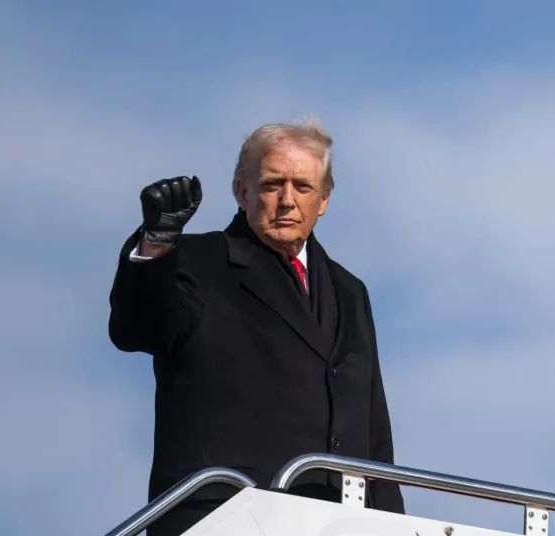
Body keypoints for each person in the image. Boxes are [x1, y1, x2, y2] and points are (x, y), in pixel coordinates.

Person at [108, 120, 404, 535]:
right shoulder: (194, 260)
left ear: (324, 199)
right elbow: (139, 328)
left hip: (340, 523)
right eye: (271, 185)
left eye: (302, 186)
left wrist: (391, 523)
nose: (287, 201)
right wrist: (157, 243)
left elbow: (374, 434)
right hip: (225, 515)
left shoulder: (349, 291)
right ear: (241, 191)